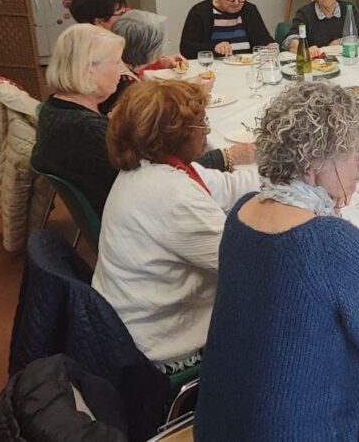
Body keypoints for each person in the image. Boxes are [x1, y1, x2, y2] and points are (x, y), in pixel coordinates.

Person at [197, 82, 359, 442]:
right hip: (295, 432)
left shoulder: (243, 210)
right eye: (357, 152)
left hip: (218, 427)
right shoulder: (327, 240)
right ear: (315, 162)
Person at [93, 80, 261, 374]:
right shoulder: (172, 196)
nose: (208, 133)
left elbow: (229, 186)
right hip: (160, 343)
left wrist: (291, 175)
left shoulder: (155, 166)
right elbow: (250, 265)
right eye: (202, 126)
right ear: (175, 136)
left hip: (133, 315)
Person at [32, 25, 251, 215]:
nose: (123, 71)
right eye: (117, 62)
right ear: (89, 70)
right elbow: (163, 181)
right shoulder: (86, 131)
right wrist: (226, 156)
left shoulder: (55, 108)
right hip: (143, 221)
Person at [102, 10, 194, 115]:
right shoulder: (126, 86)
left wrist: (162, 63)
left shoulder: (111, 65)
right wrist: (194, 93)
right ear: (152, 50)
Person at [178, 0, 276, 59]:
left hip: (245, 68)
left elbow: (264, 41)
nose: (236, 2)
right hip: (213, 70)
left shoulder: (250, 10)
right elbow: (186, 48)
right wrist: (213, 48)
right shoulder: (200, 12)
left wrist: (271, 46)